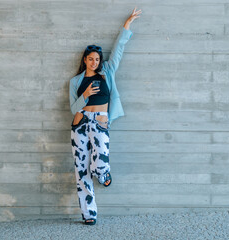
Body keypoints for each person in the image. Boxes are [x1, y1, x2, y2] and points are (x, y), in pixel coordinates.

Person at [69, 7, 141, 225]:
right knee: (81, 171)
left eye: (97, 59)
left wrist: (127, 24)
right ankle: (89, 214)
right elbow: (73, 108)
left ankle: (102, 173)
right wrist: (85, 95)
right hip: (80, 123)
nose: (94, 62)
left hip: (100, 123)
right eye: (90, 59)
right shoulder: (75, 81)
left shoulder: (107, 72)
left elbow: (118, 49)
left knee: (100, 161)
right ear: (85, 59)